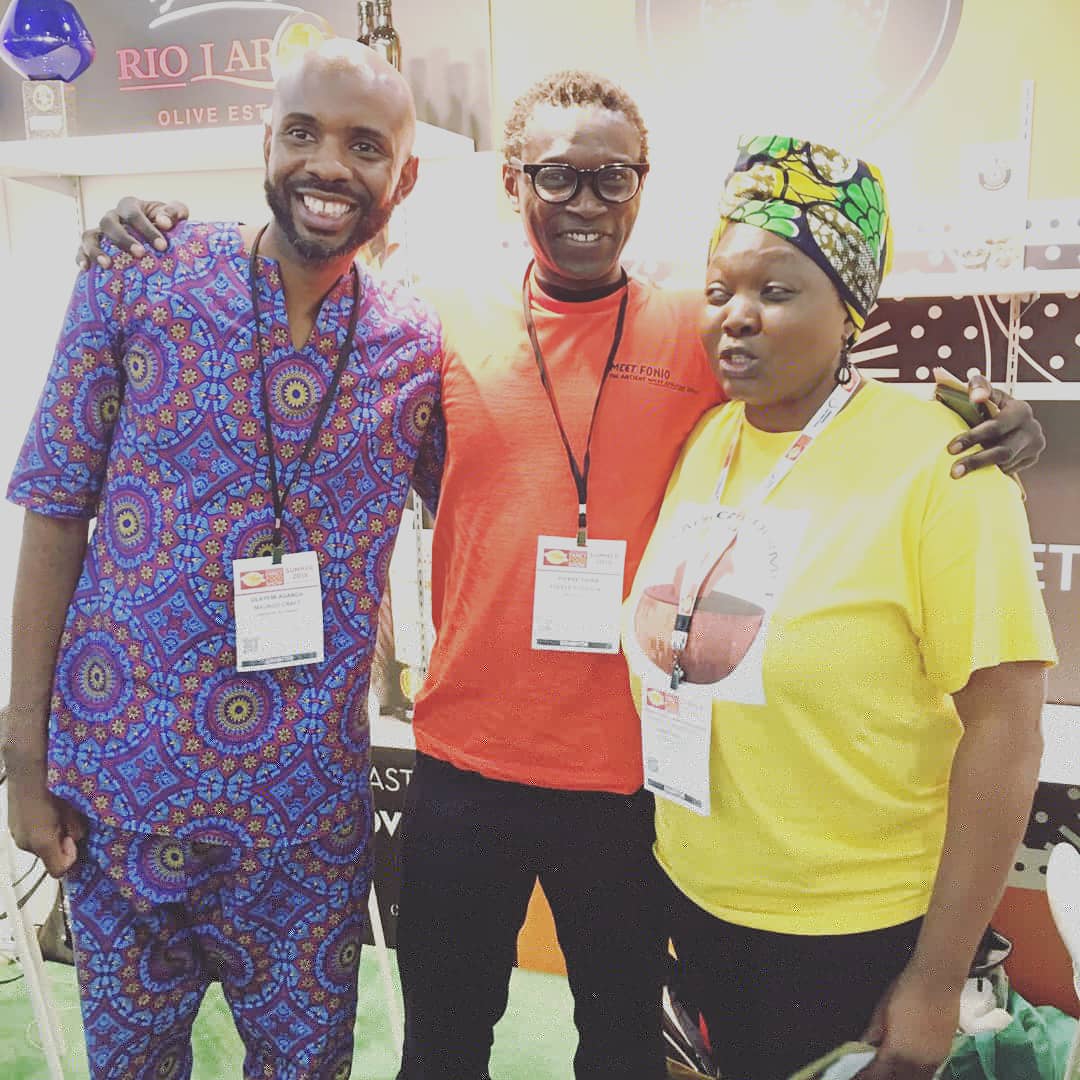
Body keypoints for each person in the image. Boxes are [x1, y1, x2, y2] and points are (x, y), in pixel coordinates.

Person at [75, 72, 1046, 1080]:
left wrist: (989, 420)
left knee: (621, 1054)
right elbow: (307, 279)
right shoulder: (436, 319)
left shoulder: (695, 330)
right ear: (513, 183)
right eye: (556, 176)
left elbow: (820, 382)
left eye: (610, 178)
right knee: (441, 1050)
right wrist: (156, 235)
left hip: (626, 789)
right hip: (465, 769)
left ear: (640, 185)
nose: (584, 201)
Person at [1, 39, 443, 1079]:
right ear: (265, 142)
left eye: (364, 145)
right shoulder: (140, 275)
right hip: (122, 799)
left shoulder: (414, 345)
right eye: (303, 133)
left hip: (304, 827)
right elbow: (54, 513)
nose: (327, 165)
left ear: (405, 174)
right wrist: (24, 761)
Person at [623, 136, 1057, 1080]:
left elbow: (1007, 732)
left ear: (851, 308)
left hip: (855, 934)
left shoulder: (946, 463)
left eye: (777, 291)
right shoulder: (707, 438)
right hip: (697, 898)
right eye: (718, 290)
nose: (736, 316)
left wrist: (936, 977)